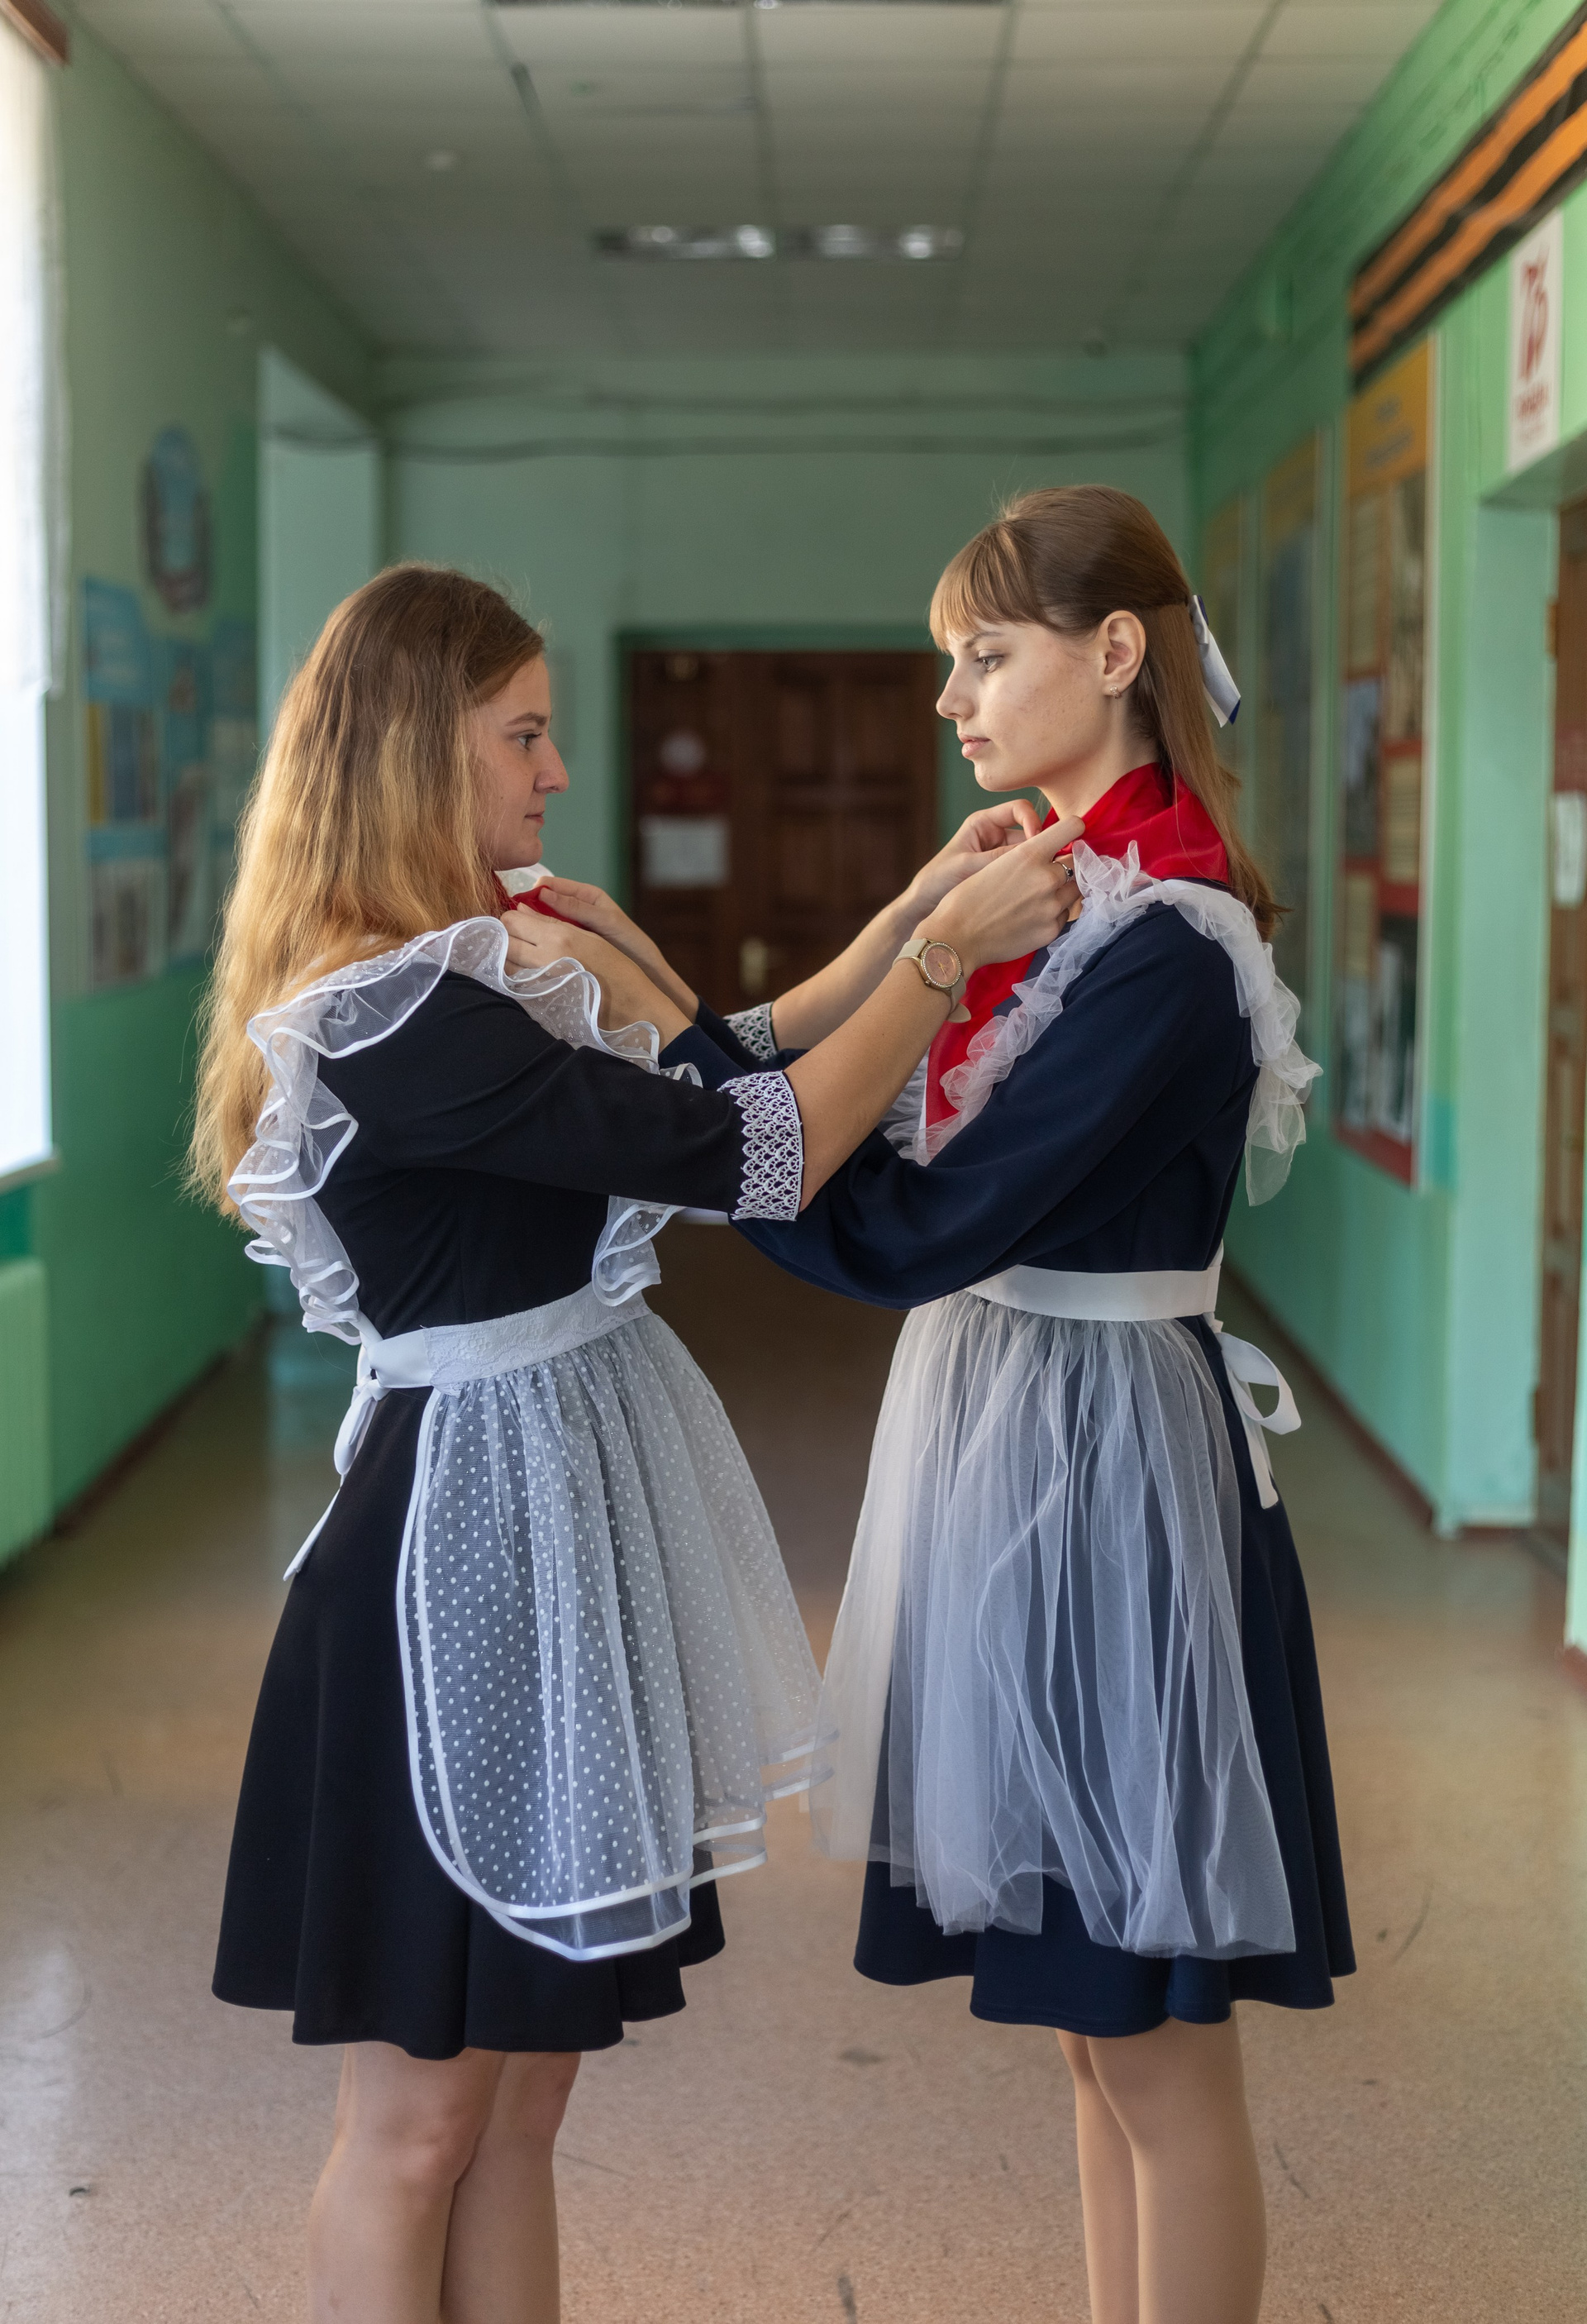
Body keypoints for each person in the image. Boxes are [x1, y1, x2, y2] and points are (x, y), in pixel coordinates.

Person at [188, 561, 1077, 2324]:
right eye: (523, 735)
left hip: (526, 1534)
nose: (556, 770)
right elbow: (759, 1155)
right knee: (420, 2125)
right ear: (415, 753)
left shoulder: (466, 976)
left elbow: (708, 1070)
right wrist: (938, 959)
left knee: (521, 2100)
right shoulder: (400, 1009)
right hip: (447, 1573)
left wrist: (910, 907)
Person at [531, 488, 1355, 2324]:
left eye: (985, 655)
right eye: (948, 664)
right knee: (1091, 2028)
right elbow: (889, 1155)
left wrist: (691, 1079)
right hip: (1032, 1437)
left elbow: (916, 1225)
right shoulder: (1062, 909)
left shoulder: (1166, 943)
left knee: (1152, 2036)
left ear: (1117, 653)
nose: (950, 700)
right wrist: (692, 1007)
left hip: (1112, 1470)